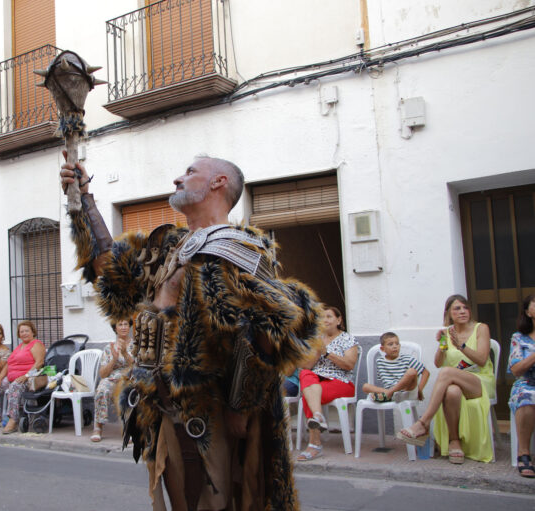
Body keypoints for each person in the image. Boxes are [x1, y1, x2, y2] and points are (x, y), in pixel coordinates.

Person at [60, 153, 319, 510]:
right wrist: (83, 199)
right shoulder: (172, 248)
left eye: (190, 172)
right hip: (163, 406)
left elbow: (268, 327)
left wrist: (241, 406)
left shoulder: (235, 247)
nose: (178, 180)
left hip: (208, 412)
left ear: (219, 183)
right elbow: (112, 269)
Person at [397, 294, 494, 464]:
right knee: (452, 392)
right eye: (457, 308)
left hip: (479, 381)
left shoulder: (481, 328)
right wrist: (442, 346)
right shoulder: (447, 332)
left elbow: (482, 360)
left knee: (447, 372)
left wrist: (461, 346)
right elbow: (438, 363)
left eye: (465, 308)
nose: (463, 311)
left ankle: (423, 422)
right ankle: (454, 441)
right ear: (449, 313)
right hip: (456, 382)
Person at [296, 305, 359, 461]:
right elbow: (306, 366)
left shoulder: (347, 339)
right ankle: (318, 416)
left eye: (329, 316)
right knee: (305, 374)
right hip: (317, 381)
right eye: (322, 317)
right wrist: (317, 352)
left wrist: (327, 353)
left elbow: (349, 364)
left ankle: (314, 445)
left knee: (308, 394)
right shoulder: (317, 340)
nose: (325, 320)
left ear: (339, 320)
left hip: (341, 382)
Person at [0, 320, 45, 434]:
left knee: (14, 386)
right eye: (21, 331)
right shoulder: (19, 347)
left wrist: (26, 375)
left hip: (29, 379)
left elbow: (39, 363)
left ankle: (13, 420)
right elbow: (8, 364)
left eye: (27, 331)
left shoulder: (36, 344)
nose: (24, 333)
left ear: (33, 332)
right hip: (13, 377)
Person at [91, 318, 133, 442]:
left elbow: (136, 367)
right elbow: (103, 374)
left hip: (128, 378)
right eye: (120, 324)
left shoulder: (136, 345)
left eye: (126, 324)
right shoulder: (109, 348)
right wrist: (114, 359)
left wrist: (125, 353)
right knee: (101, 390)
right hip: (111, 378)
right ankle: (98, 428)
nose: (124, 327)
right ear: (115, 328)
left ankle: (128, 428)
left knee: (127, 392)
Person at [508, 294, 535, 478]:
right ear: (528, 311)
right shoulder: (519, 338)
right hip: (527, 381)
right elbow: (516, 369)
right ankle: (523, 453)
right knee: (525, 396)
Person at [362, 332, 430, 402]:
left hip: (407, 391)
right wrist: (390, 391)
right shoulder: (380, 362)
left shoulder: (407, 359)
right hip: (391, 392)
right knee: (365, 386)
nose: (395, 346)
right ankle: (389, 394)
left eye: (397, 344)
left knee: (411, 371)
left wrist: (419, 389)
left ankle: (387, 395)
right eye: (390, 344)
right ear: (382, 349)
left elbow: (426, 373)